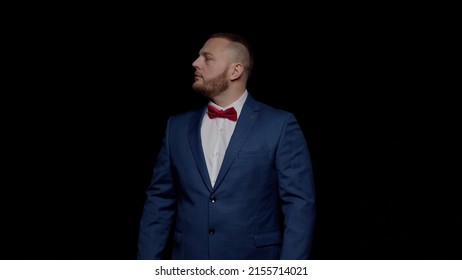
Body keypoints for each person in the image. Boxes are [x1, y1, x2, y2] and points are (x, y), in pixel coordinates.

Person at [137, 32, 316, 260]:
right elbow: (159, 200)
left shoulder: (279, 125)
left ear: (235, 71)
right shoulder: (176, 127)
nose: (195, 63)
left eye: (207, 58)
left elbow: (299, 205)